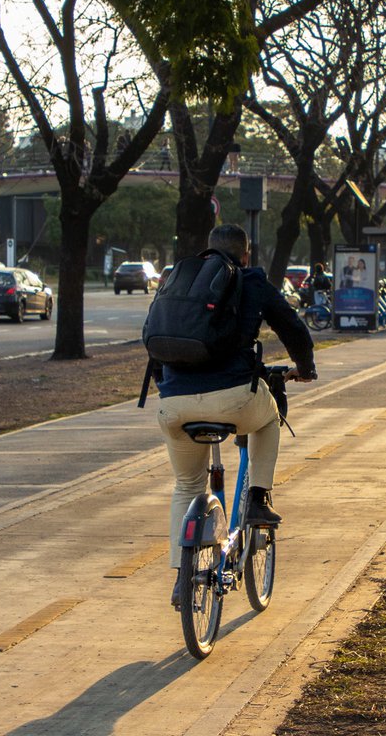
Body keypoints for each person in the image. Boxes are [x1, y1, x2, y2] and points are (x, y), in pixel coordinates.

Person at [152, 224, 317, 606]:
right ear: (245, 255)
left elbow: (157, 338)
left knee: (186, 486)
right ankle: (259, 497)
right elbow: (292, 327)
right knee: (268, 417)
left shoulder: (179, 279)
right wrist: (305, 367)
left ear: (208, 250)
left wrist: (170, 385)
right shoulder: (251, 280)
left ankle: (182, 576)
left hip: (173, 404)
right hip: (234, 398)